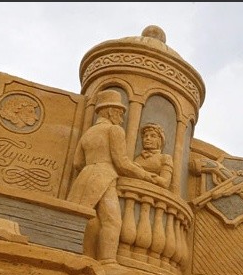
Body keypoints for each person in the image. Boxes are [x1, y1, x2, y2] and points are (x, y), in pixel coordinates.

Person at [67, 89, 160, 263]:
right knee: (112, 221)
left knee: (87, 216)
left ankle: (85, 255)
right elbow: (122, 163)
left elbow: (77, 163)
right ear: (110, 111)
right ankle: (107, 260)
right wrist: (146, 175)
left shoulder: (88, 133)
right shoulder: (114, 130)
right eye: (120, 113)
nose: (121, 118)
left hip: (84, 177)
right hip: (104, 177)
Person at [134, 122, 173, 188]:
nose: (148, 138)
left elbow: (165, 183)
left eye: (153, 136)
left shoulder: (165, 158)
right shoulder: (138, 158)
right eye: (146, 136)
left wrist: (141, 172)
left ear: (160, 140)